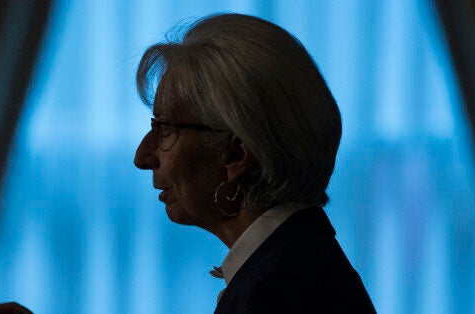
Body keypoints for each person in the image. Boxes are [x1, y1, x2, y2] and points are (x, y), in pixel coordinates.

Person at [133, 12, 375, 314]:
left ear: (236, 155)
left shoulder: (276, 293)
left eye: (166, 129)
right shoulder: (295, 264)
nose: (142, 157)